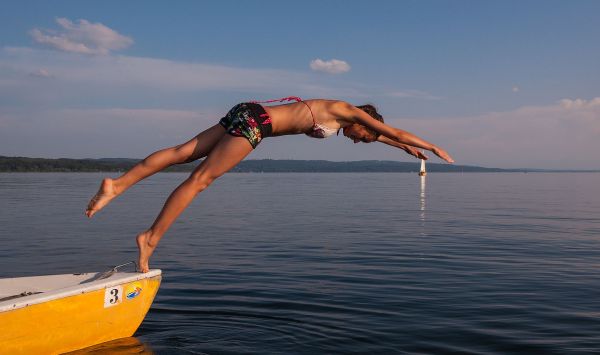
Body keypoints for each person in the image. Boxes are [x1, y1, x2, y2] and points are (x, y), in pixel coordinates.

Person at [85, 97, 454, 272]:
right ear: (365, 121)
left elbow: (388, 137)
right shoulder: (347, 111)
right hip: (255, 125)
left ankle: (116, 186)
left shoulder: (342, 118)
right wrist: (431, 144)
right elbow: (391, 130)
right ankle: (150, 238)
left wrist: (405, 148)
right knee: (200, 180)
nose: (357, 141)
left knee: (183, 152)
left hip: (247, 112)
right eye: (363, 137)